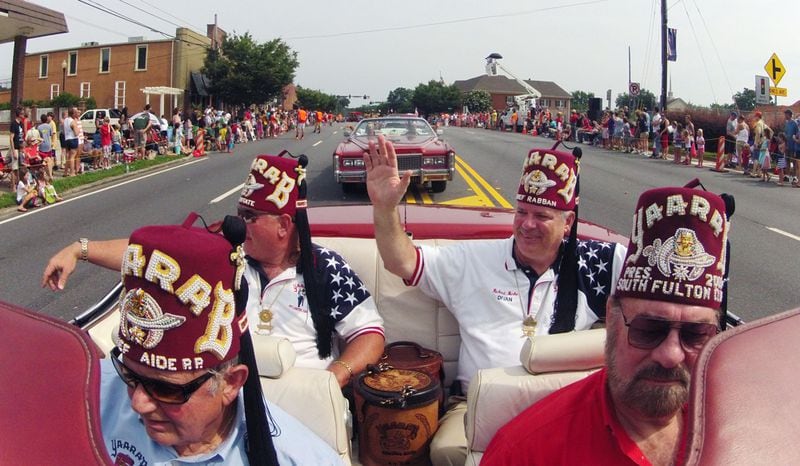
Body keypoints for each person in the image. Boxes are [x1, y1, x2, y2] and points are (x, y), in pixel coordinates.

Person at [365, 135, 626, 466]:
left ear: (568, 222)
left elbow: (660, 274)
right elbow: (401, 262)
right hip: (478, 402)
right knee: (447, 451)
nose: (527, 225)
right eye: (521, 212)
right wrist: (385, 208)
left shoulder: (593, 263)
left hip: (563, 404)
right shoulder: (474, 259)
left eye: (542, 216)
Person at [42, 153, 385, 389]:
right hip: (225, 392)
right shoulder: (225, 252)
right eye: (239, 213)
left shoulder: (324, 267)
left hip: (304, 396)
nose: (239, 223)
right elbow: (152, 257)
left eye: (250, 218)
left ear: (283, 225)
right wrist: (80, 249)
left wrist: (333, 377)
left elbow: (369, 334)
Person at [482, 183, 732, 466]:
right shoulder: (525, 453)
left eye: (695, 334)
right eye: (649, 330)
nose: (671, 354)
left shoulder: (740, 430)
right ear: (611, 318)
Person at [100, 215, 342, 465]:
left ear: (230, 383)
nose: (138, 403)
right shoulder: (92, 394)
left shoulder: (300, 458)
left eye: (166, 390)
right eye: (128, 376)